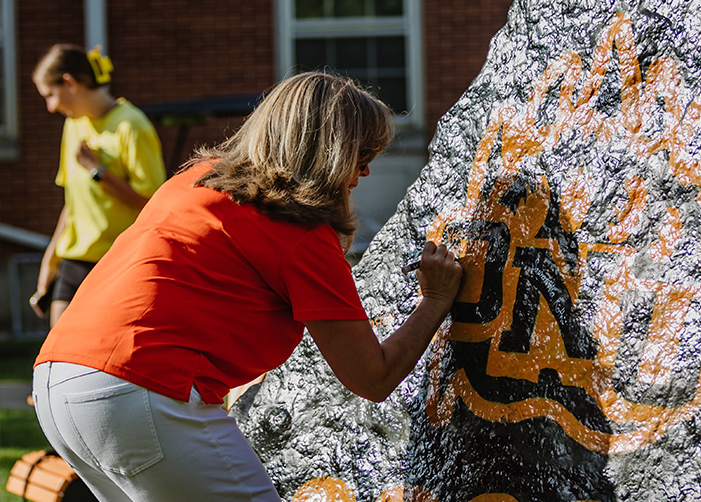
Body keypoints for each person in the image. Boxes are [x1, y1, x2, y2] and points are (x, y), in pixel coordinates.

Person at [31, 72, 463, 502]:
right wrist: (437, 299)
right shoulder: (299, 231)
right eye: (362, 153)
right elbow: (373, 376)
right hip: (141, 388)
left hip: (59, 380)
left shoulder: (194, 181)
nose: (366, 170)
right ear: (326, 151)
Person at [29, 44, 167, 326]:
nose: (51, 107)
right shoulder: (74, 125)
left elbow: (153, 205)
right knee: (57, 357)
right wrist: (50, 262)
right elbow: (72, 204)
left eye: (51, 95)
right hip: (74, 261)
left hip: (117, 261)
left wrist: (98, 172)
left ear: (70, 82)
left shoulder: (131, 125)